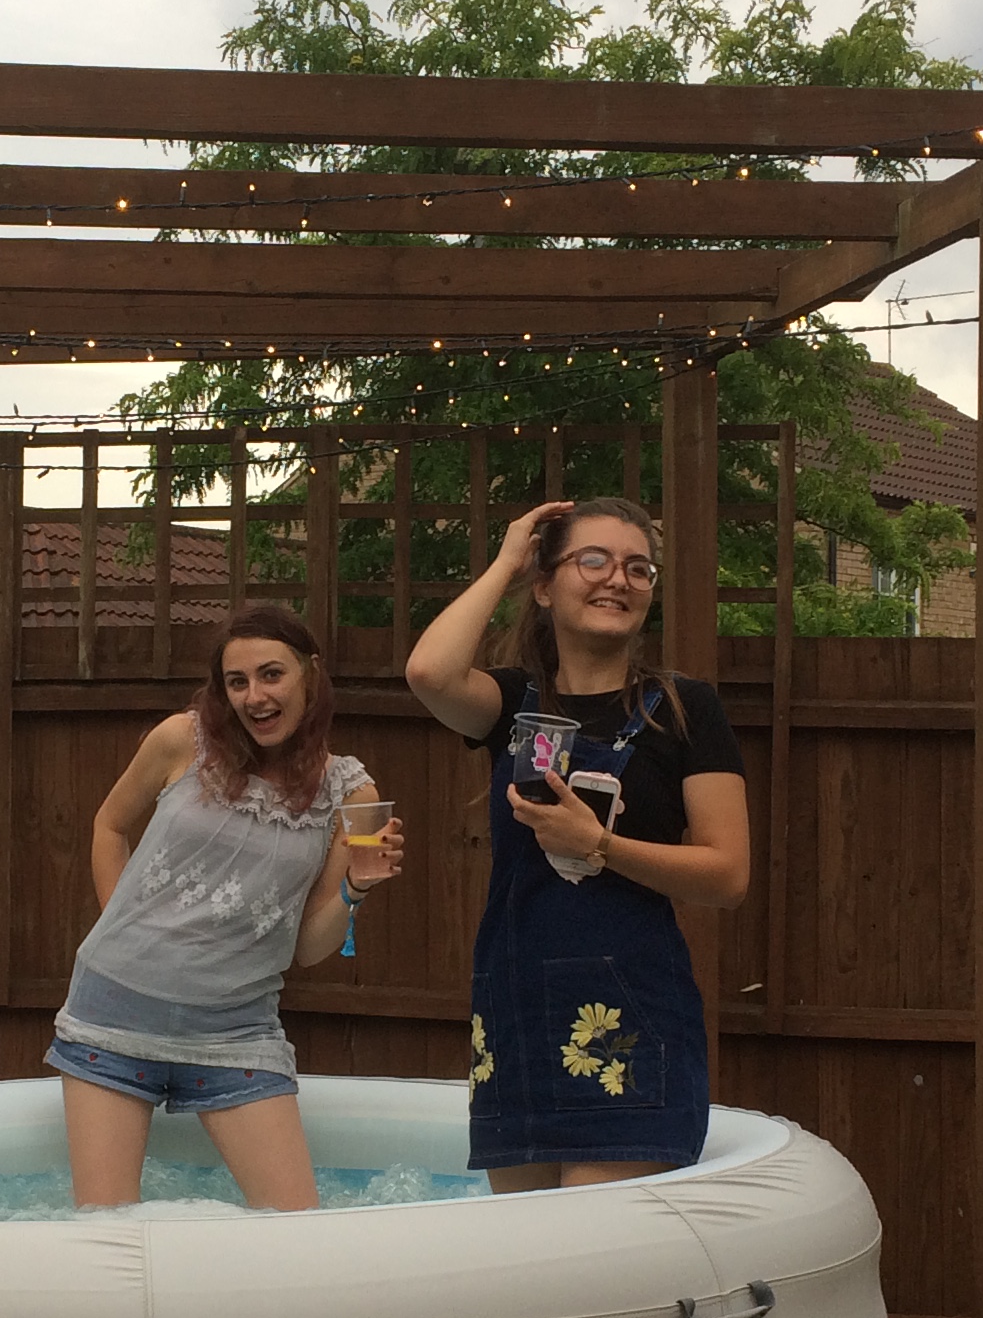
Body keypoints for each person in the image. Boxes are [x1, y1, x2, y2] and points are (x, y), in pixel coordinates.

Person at [405, 495, 749, 1187]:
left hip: (627, 1016)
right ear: (544, 584)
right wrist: (505, 561)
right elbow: (428, 674)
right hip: (515, 1012)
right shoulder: (511, 704)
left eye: (638, 568)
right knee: (527, 1268)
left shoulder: (686, 709)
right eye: (592, 560)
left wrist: (601, 845)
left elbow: (727, 874)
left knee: (593, 1263)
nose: (617, 579)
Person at [50, 604, 406, 1210]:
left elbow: (308, 948)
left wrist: (357, 889)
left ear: (310, 676)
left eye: (272, 675)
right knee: (104, 1234)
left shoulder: (350, 792)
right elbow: (109, 825)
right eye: (236, 682)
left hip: (237, 1032)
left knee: (299, 1229)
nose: (254, 697)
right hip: (113, 1014)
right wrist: (118, 920)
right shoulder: (180, 741)